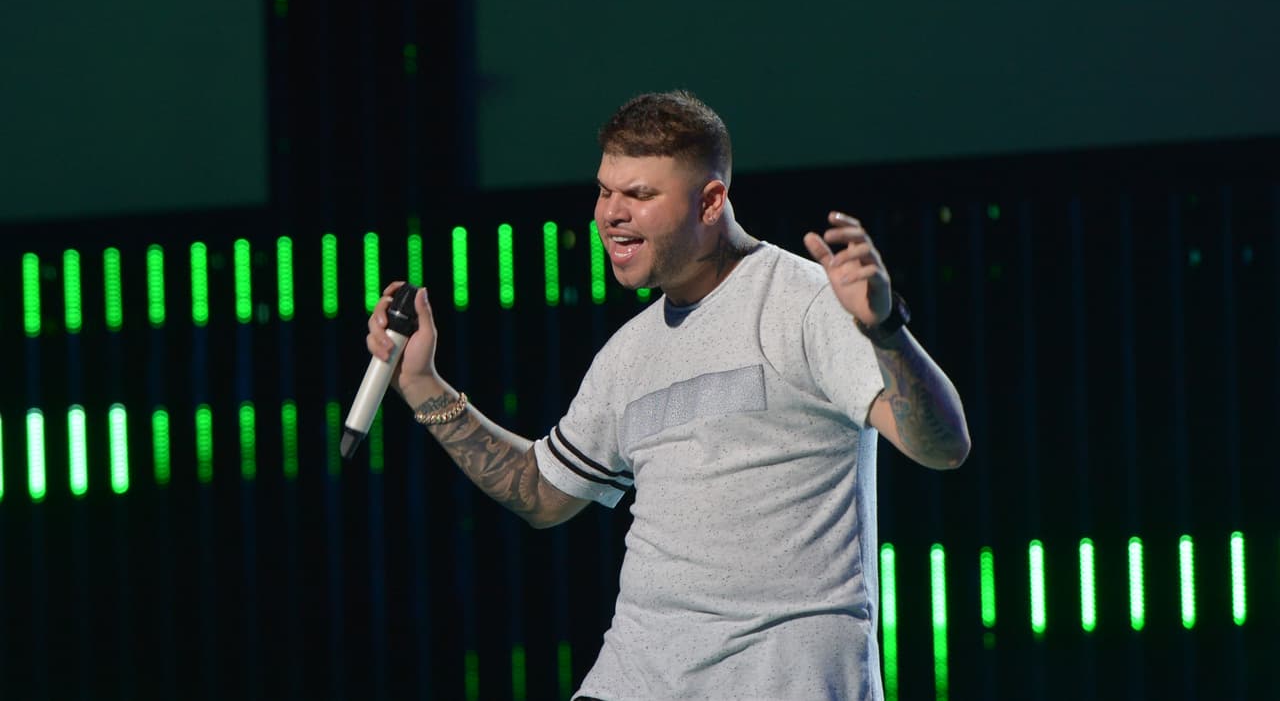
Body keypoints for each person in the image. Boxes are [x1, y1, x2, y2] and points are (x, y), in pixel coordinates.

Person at [367, 90, 970, 700]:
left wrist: (886, 330)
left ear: (711, 201)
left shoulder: (804, 302)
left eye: (640, 195)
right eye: (605, 191)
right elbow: (542, 492)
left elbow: (943, 446)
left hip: (779, 678)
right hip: (637, 678)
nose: (611, 214)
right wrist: (422, 385)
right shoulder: (628, 354)